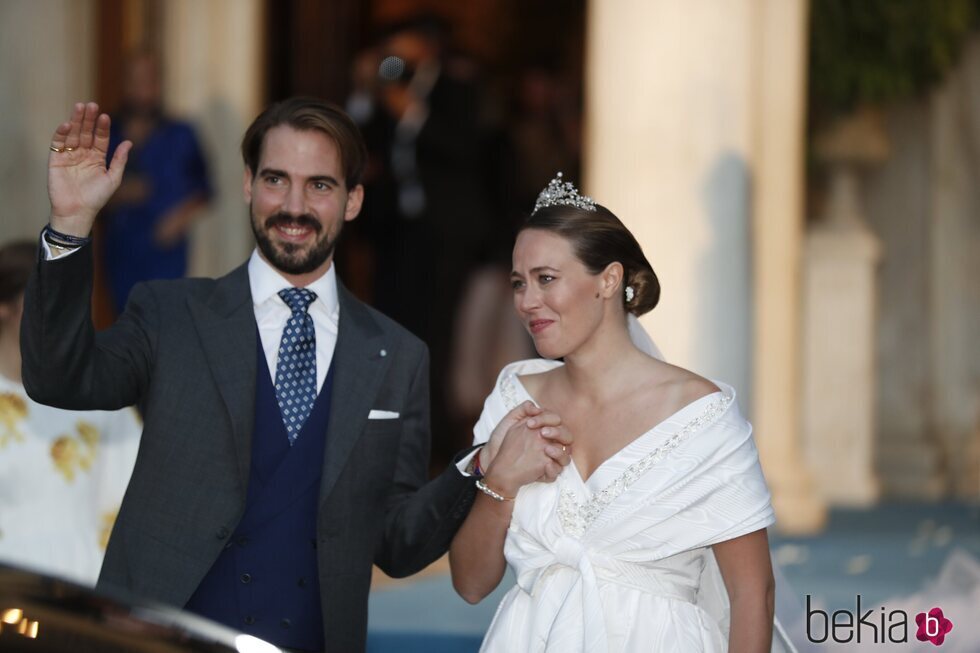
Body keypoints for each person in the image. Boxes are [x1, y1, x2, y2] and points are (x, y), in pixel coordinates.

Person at [21, 99, 572, 653]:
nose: (293, 205)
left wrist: (479, 464)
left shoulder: (397, 355)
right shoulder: (171, 313)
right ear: (247, 185)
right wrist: (70, 225)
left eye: (320, 186)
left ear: (353, 200)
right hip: (155, 636)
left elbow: (398, 545)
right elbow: (59, 379)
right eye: (276, 179)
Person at [449, 174, 780, 652]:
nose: (526, 301)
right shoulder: (513, 399)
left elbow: (753, 594)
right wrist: (500, 483)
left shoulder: (701, 415)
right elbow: (471, 584)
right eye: (519, 283)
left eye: (546, 279)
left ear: (609, 279)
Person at [0, 240, 141, 586]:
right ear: (4, 307)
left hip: (85, 594)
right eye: (43, 297)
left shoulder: (105, 394)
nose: (59, 310)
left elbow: (131, 507)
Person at [101, 51, 212, 312]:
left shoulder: (182, 133)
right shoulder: (106, 133)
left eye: (148, 79)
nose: (142, 88)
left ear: (159, 82)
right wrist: (117, 195)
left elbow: (205, 188)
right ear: (124, 83)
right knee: (126, 328)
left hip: (167, 256)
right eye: (134, 79)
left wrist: (180, 217)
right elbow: (85, 194)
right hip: (122, 251)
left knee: (168, 325)